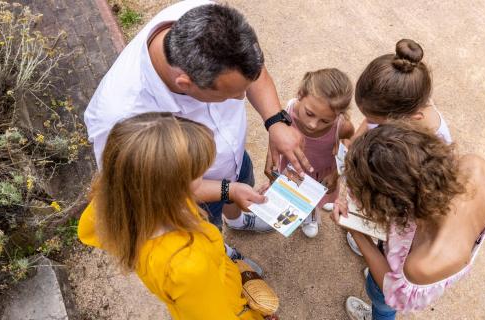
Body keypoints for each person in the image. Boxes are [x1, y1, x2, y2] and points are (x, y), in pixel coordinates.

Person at [84, 1, 313, 270]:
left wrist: (275, 122)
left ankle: (237, 220)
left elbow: (254, 73)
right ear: (186, 84)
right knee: (209, 228)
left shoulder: (206, 16)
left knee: (243, 183)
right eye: (230, 94)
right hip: (194, 196)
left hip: (235, 160)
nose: (242, 97)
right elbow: (152, 191)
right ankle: (220, 250)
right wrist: (227, 190)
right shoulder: (120, 119)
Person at [78, 112, 266, 319]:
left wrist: (230, 191)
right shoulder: (189, 264)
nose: (204, 177)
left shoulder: (119, 202)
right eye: (198, 174)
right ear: (170, 190)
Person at [331, 123, 485, 320]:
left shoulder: (422, 264)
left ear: (394, 204)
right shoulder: (473, 166)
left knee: (382, 305)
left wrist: (356, 231)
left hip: (394, 280)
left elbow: (391, 291)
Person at [344, 39, 453, 255]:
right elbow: (370, 123)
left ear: (412, 118)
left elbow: (412, 197)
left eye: (376, 121)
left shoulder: (428, 148)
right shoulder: (400, 106)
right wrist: (356, 141)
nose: (368, 122)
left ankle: (379, 243)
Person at [264, 68, 354, 237]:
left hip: (323, 173)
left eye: (325, 121)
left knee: (321, 195)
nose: (313, 124)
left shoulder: (343, 126)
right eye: (310, 114)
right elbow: (276, 136)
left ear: (339, 115)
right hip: (294, 168)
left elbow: (346, 149)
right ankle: (306, 212)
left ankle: (313, 210)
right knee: (299, 196)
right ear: (300, 94)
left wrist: (335, 175)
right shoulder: (288, 113)